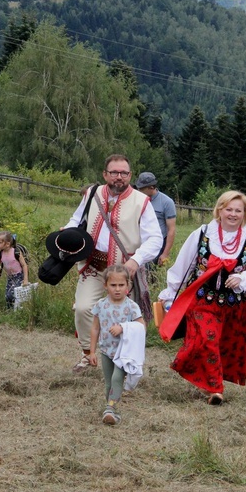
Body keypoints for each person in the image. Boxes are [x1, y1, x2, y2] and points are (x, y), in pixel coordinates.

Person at [158, 191, 246, 405]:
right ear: (219, 210)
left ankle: (210, 384)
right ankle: (216, 389)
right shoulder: (203, 233)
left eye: (238, 210)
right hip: (202, 301)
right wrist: (170, 292)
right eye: (229, 209)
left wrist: (243, 278)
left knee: (222, 346)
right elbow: (184, 264)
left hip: (234, 306)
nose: (233, 214)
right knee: (207, 339)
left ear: (244, 214)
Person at [62, 154, 163, 373]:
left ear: (130, 175)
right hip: (93, 266)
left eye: (124, 173)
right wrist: (67, 232)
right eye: (114, 172)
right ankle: (88, 354)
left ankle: (122, 360)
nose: (119, 177)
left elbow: (155, 238)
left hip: (123, 273)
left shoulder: (141, 201)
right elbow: (77, 219)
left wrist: (136, 260)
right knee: (83, 308)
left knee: (124, 317)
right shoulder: (92, 193)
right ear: (105, 174)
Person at [87, 265, 145, 425]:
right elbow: (95, 328)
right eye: (113, 285)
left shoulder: (132, 307)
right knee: (108, 382)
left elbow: (142, 327)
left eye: (121, 285)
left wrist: (124, 328)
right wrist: (91, 352)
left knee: (117, 378)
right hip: (106, 350)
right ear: (105, 285)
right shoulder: (100, 305)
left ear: (128, 285)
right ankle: (112, 410)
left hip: (123, 353)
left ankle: (110, 409)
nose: (117, 289)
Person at [134, 172, 176, 268]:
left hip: (157, 244)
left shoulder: (167, 202)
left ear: (151, 187)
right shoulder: (137, 199)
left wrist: (165, 253)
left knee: (151, 273)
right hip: (139, 242)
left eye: (141, 188)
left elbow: (171, 230)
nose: (138, 191)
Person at [0, 231, 29, 308]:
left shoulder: (16, 252)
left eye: (0, 242)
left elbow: (24, 265)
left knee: (13, 294)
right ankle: (11, 310)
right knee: (7, 295)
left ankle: (18, 308)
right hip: (10, 277)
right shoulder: (0, 254)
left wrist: (25, 279)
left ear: (7, 244)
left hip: (19, 275)